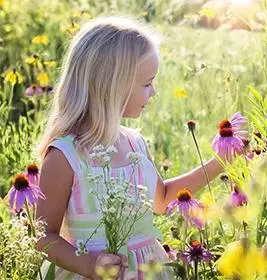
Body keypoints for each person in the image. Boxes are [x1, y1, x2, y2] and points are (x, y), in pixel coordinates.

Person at [36, 16, 225, 280]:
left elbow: (161, 200)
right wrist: (90, 265)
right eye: (147, 84)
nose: (154, 92)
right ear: (112, 86)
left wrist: (220, 162)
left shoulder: (135, 143)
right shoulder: (65, 156)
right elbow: (44, 237)